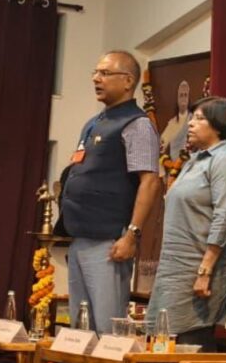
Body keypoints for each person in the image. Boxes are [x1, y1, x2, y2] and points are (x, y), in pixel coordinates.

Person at [60, 50, 160, 335]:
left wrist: (132, 235)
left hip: (109, 242)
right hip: (80, 238)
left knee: (108, 329)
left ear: (128, 81)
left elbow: (150, 182)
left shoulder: (137, 124)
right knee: (80, 329)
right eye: (95, 72)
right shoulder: (94, 122)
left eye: (105, 73)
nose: (96, 78)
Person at [147, 96, 226, 354]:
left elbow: (225, 218)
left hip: (199, 267)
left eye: (200, 118)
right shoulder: (195, 160)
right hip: (174, 267)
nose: (190, 123)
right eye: (191, 118)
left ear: (219, 125)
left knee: (190, 344)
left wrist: (205, 270)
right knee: (163, 343)